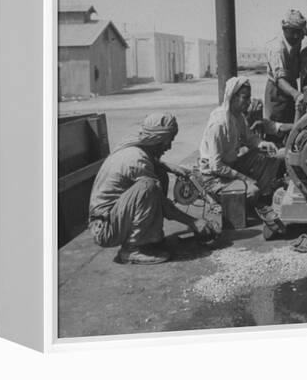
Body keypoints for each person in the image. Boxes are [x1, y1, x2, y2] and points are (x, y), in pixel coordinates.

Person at [88, 112, 216, 265]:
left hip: (112, 218)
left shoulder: (134, 145)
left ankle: (148, 239)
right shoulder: (137, 159)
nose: (168, 147)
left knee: (160, 173)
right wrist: (194, 222)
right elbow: (161, 202)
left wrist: (170, 167)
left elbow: (148, 163)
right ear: (156, 139)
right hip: (105, 229)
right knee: (149, 187)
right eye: (167, 142)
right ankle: (132, 249)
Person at [199, 76, 286, 234]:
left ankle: (257, 195)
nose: (248, 102)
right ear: (232, 97)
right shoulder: (219, 124)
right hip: (214, 177)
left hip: (230, 165)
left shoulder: (238, 116)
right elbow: (216, 166)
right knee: (252, 191)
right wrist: (245, 178)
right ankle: (220, 199)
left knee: (270, 157)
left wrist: (262, 144)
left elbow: (249, 138)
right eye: (245, 97)